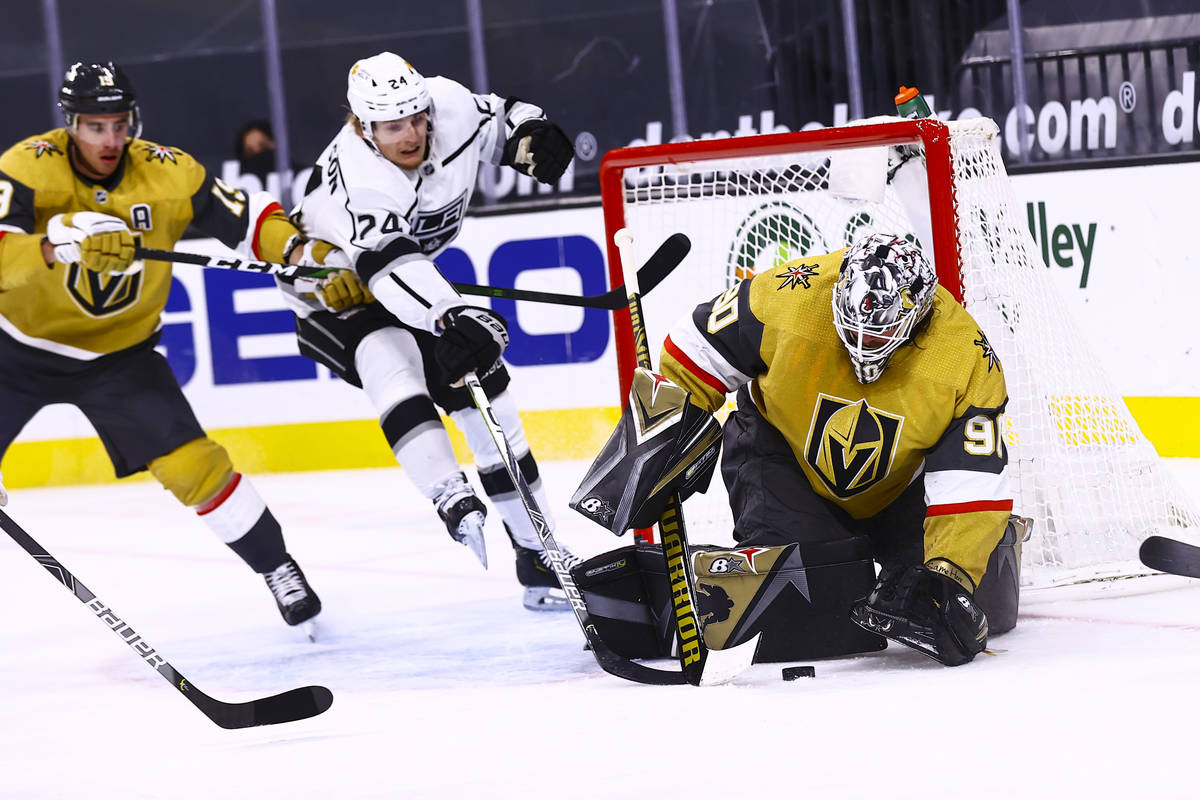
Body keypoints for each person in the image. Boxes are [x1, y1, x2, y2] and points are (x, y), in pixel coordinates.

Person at [571, 233, 1022, 666]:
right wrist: (658, 435)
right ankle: (659, 588)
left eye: (879, 337)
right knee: (811, 607)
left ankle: (954, 555)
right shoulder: (788, 296)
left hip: (901, 481)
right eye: (853, 330)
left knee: (974, 605)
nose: (863, 346)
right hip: (781, 456)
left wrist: (949, 572)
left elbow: (970, 483)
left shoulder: (965, 356)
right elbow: (694, 348)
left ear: (918, 318)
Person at [0, 62, 322, 631]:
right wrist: (51, 247)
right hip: (14, 349)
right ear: (70, 123)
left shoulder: (170, 174)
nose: (109, 140)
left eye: (118, 125)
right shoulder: (25, 167)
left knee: (195, 467)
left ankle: (277, 566)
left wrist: (298, 253)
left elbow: (251, 221)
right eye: (94, 127)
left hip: (121, 357)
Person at [279, 52, 578, 611]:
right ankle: (450, 496)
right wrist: (448, 315)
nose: (413, 133)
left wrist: (529, 133)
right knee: (391, 360)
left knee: (489, 399)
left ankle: (539, 554)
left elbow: (497, 118)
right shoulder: (360, 182)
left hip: (408, 276)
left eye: (417, 118)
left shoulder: (446, 103)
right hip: (331, 287)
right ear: (362, 126)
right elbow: (390, 268)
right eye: (394, 126)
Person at [233, 119, 278, 184]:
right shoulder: (240, 191)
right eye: (250, 153)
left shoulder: (296, 179)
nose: (259, 156)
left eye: (264, 148)